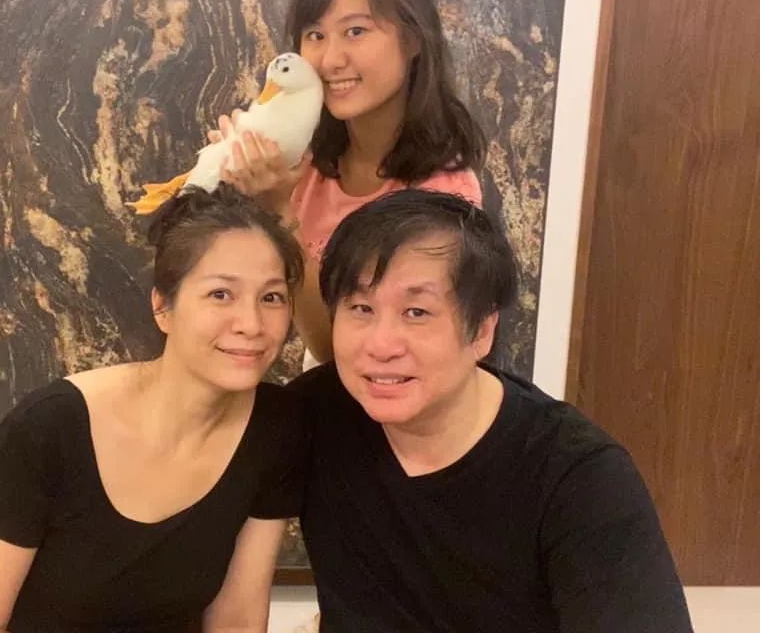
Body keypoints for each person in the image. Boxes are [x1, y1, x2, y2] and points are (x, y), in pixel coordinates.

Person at [288, 189, 693, 632]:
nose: (381, 345)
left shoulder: (579, 476)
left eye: (416, 312)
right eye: (361, 308)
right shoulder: (313, 415)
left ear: (482, 331)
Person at [0, 185, 307, 633]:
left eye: (271, 297)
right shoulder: (51, 427)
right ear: (162, 307)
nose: (251, 324)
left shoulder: (273, 428)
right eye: (220, 295)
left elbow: (238, 620)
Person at [218, 0, 485, 365]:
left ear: (413, 39)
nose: (330, 59)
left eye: (355, 31)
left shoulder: (444, 194)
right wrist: (231, 190)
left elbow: (349, 352)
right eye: (315, 34)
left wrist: (280, 213)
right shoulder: (303, 163)